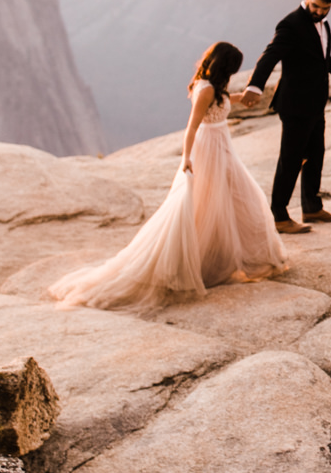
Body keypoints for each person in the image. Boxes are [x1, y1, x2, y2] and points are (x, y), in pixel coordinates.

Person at [49, 41, 288, 309]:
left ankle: (230, 258)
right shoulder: (206, 90)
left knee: (236, 199)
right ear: (225, 67)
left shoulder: (211, 88)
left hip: (221, 148)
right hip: (210, 150)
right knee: (212, 204)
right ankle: (217, 261)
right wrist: (186, 158)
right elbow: (192, 126)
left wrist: (238, 97)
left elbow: (217, 102)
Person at [240, 0, 331, 231]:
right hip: (295, 104)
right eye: (316, 6)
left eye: (325, 8)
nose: (319, 12)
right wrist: (254, 86)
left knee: (315, 155)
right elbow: (270, 55)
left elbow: (323, 58)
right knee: (291, 159)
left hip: (315, 102)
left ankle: (311, 208)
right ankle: (279, 216)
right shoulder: (290, 24)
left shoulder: (322, 24)